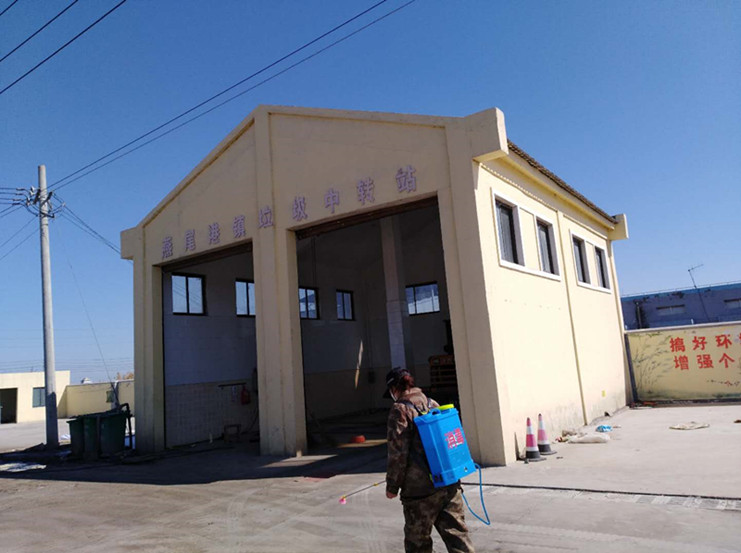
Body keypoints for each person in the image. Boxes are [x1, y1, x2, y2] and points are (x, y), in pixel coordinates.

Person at [384, 367, 475, 553]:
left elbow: (397, 454)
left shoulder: (400, 409)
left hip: (420, 491)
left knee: (418, 544)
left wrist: (392, 486)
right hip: (448, 483)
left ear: (394, 389)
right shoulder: (432, 403)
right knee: (458, 538)